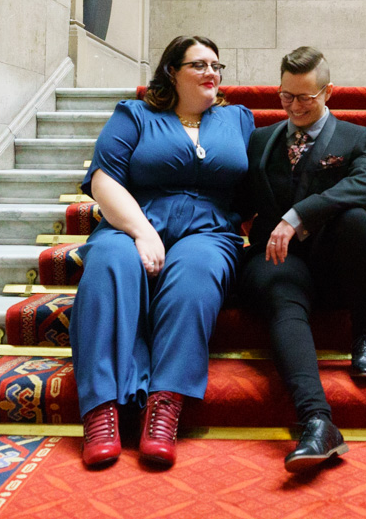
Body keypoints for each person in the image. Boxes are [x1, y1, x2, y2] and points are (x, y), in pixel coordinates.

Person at [71, 35, 253, 469]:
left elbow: (261, 182)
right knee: (109, 262)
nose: (211, 73)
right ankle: (100, 409)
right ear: (172, 72)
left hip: (210, 230)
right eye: (199, 65)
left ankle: (163, 407)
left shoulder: (238, 119)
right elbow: (104, 180)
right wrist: (142, 232)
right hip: (133, 221)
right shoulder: (134, 115)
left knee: (196, 271)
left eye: (216, 65)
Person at [238, 46, 366, 472]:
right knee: (278, 287)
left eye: (306, 97)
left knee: (357, 221)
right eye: (286, 96)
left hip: (335, 262)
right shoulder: (261, 139)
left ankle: (365, 335)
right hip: (278, 261)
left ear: (328, 92)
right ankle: (318, 424)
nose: (295, 107)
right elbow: (240, 200)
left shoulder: (358, 138)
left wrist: (297, 216)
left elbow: (365, 186)